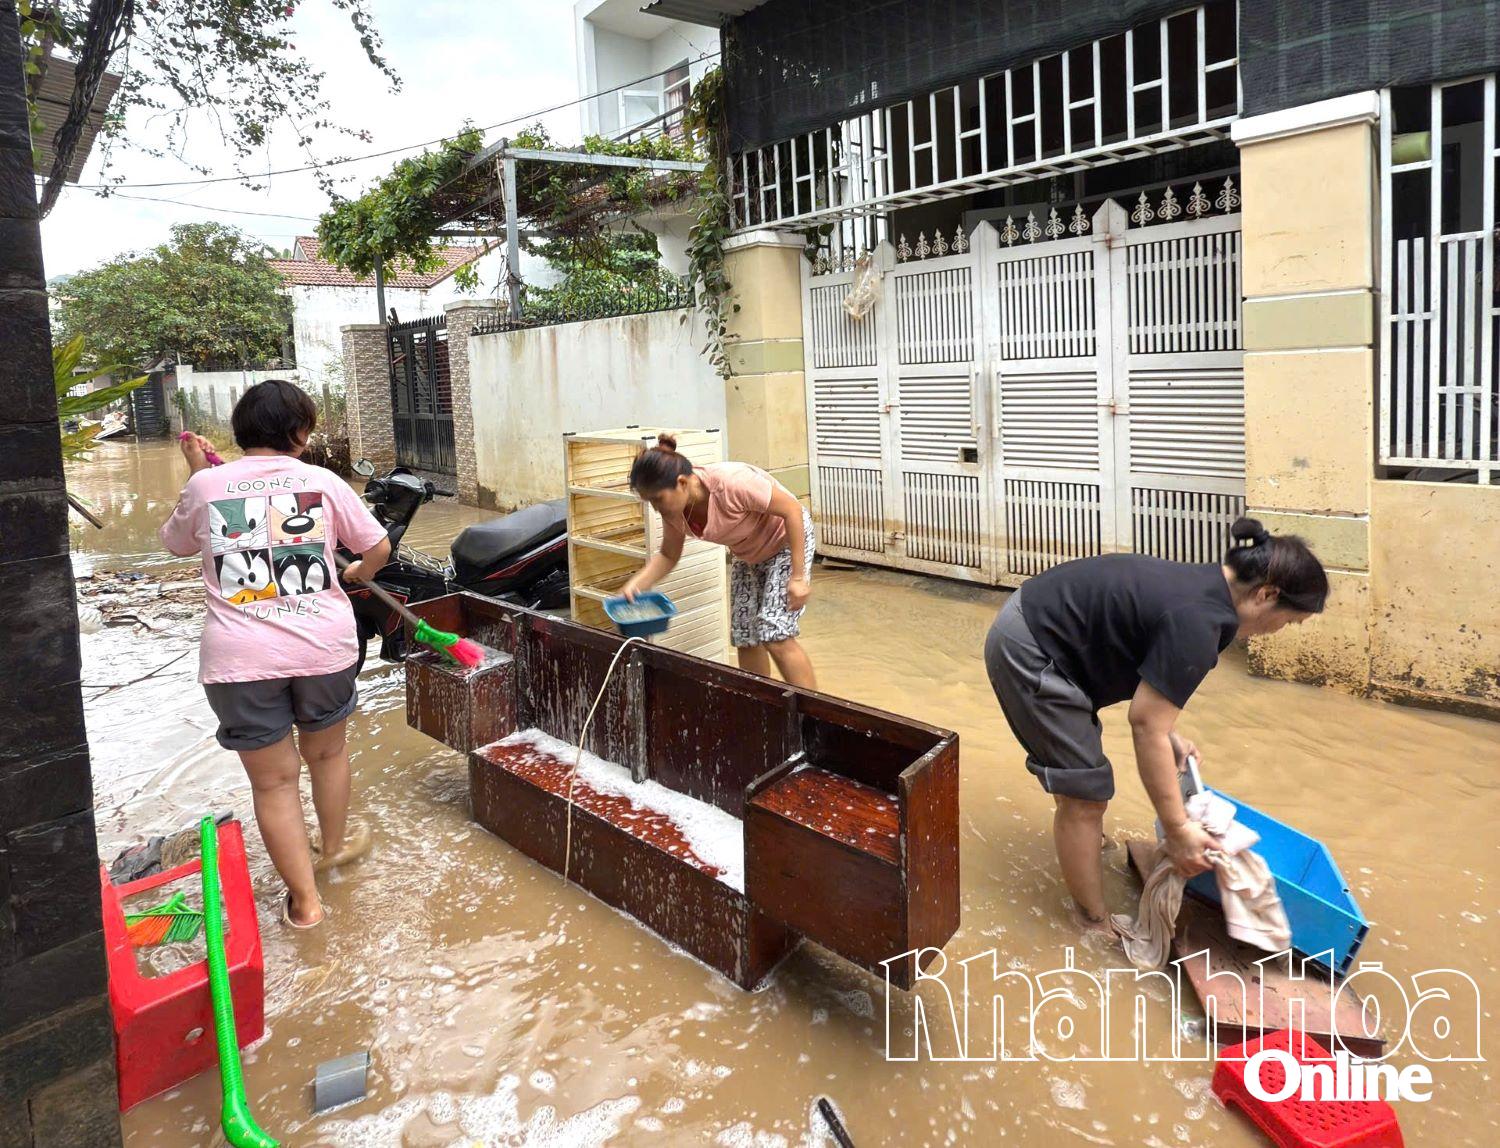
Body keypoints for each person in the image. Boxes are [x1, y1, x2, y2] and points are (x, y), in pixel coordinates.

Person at [984, 518, 1329, 932]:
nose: (1278, 632)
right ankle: (1090, 923)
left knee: (1084, 776)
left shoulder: (1207, 590)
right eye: (1288, 621)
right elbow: (1145, 724)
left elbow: (1148, 685)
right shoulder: (1200, 622)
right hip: (1033, 647)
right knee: (1086, 795)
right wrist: (1178, 828)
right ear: (1267, 595)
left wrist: (1169, 734)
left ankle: (1083, 838)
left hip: (1050, 629)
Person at [159, 379, 392, 928]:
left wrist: (197, 474)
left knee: (273, 782)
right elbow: (377, 546)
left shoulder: (207, 484)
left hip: (239, 661)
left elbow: (176, 543)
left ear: (240, 431)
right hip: (324, 650)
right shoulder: (323, 481)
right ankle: (332, 848)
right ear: (301, 433)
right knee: (328, 755)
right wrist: (360, 572)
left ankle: (306, 905)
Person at [621, 434, 818, 689]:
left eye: (658, 499)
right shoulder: (674, 512)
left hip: (785, 541)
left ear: (681, 483)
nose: (656, 509)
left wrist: (799, 577)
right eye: (650, 502)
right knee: (745, 635)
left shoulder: (732, 483)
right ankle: (760, 708)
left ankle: (815, 718)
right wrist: (636, 585)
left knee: (774, 631)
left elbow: (792, 510)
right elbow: (669, 555)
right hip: (748, 551)